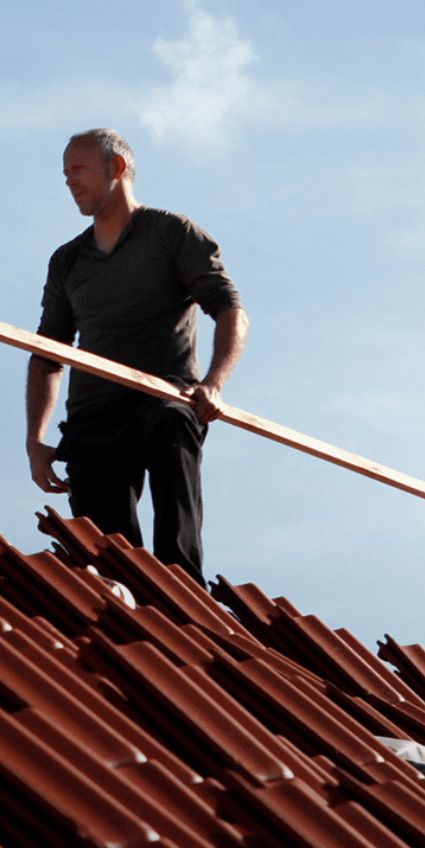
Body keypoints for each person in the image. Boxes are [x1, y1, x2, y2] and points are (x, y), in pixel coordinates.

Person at [25, 129, 248, 585]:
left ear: (118, 168)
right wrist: (36, 439)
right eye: (65, 173)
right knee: (107, 564)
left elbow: (230, 310)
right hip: (93, 417)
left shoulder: (171, 233)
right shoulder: (68, 261)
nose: (70, 181)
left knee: (171, 427)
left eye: (79, 169)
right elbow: (48, 353)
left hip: (160, 396)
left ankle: (182, 590)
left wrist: (214, 383)